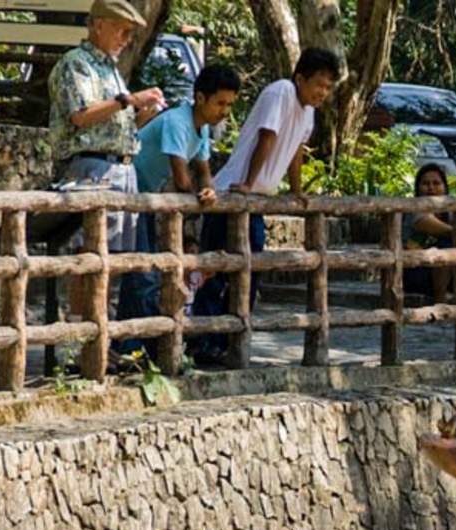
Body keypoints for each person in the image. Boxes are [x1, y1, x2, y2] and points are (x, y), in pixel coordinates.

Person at [192, 48, 340, 363]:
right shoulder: (282, 92)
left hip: (255, 200)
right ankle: (201, 341)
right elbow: (267, 137)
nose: (322, 93)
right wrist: (248, 182)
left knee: (249, 271)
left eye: (328, 87)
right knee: (215, 270)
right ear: (300, 78)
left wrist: (297, 190)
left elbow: (296, 150)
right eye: (319, 85)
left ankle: (228, 341)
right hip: (234, 192)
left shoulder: (308, 112)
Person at [116, 64, 240, 354]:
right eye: (220, 103)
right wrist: (199, 196)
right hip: (132, 192)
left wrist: (209, 189)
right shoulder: (177, 121)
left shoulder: (202, 128)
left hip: (146, 197)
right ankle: (139, 347)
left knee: (141, 273)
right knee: (143, 274)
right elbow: (182, 177)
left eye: (230, 104)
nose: (225, 111)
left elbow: (203, 169)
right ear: (200, 97)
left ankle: (129, 346)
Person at [48, 0, 165, 256]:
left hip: (122, 169)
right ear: (99, 26)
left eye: (130, 33)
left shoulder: (111, 69)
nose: (126, 39)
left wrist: (144, 114)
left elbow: (116, 126)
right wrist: (129, 100)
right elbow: (80, 116)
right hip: (92, 169)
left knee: (115, 260)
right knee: (88, 256)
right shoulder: (76, 63)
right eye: (121, 30)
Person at [403, 164, 456, 302]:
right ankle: (440, 299)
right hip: (415, 270)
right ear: (418, 188)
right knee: (447, 243)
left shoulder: (450, 211)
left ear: (444, 187)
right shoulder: (415, 208)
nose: (431, 188)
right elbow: (426, 222)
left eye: (436, 183)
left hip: (446, 274)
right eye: (425, 183)